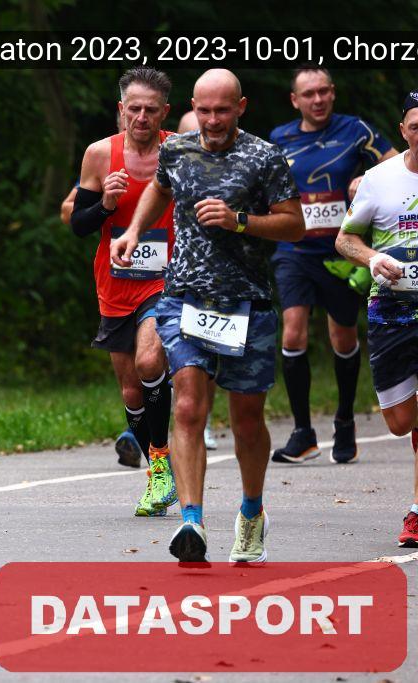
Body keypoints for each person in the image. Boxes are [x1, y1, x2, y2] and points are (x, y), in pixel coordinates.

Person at [112, 69, 305, 564]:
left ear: (241, 107)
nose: (213, 120)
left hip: (246, 304)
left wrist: (239, 221)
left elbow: (294, 225)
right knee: (187, 407)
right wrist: (133, 230)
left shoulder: (264, 156)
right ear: (192, 108)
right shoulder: (176, 150)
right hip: (185, 299)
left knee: (247, 421)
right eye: (204, 110)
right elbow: (160, 189)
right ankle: (192, 522)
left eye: (222, 110)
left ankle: (252, 512)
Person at [270, 66, 397, 465]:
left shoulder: (356, 130)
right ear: (295, 100)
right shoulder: (279, 138)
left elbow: (399, 166)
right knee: (293, 332)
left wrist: (368, 178)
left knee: (342, 338)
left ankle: (344, 421)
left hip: (342, 251)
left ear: (333, 93)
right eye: (309, 94)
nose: (318, 99)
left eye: (324, 91)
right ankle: (303, 433)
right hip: (294, 250)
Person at [70, 67, 177, 517]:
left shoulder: (180, 151)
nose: (142, 117)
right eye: (134, 108)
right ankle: (159, 473)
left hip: (166, 279)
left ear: (164, 112)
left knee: (150, 361)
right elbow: (78, 224)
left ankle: (161, 461)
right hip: (115, 282)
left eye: (151, 109)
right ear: (121, 109)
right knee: (132, 389)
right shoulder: (99, 154)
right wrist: (106, 204)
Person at [335, 90, 418, 546]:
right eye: (416, 126)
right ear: (403, 131)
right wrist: (372, 259)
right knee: (400, 421)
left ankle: (417, 511)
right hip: (392, 310)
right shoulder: (379, 179)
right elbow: (345, 240)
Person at [176, 109, 220, 451]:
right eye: (190, 137)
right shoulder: (167, 170)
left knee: (206, 352)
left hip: (214, 281)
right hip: (169, 278)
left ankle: (201, 418)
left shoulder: (232, 175)